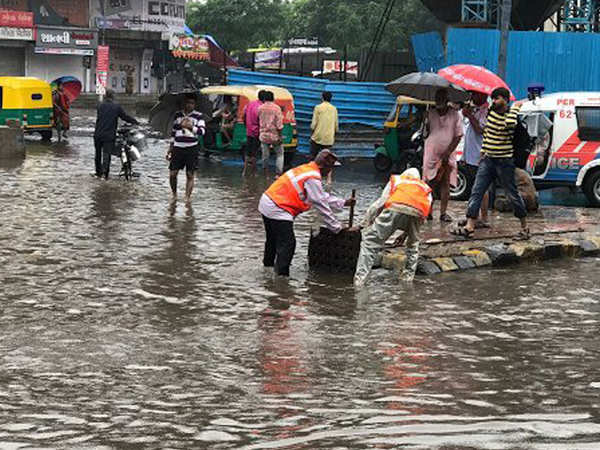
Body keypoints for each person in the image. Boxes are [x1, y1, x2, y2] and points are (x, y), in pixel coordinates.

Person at [258, 149, 355, 276]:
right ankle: (281, 279)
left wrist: (343, 202)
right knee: (288, 244)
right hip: (279, 208)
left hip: (268, 201)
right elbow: (320, 203)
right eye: (330, 167)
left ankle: (267, 269)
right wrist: (337, 227)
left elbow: (318, 196)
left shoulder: (307, 169)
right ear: (324, 166)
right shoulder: (313, 177)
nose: (330, 171)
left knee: (272, 240)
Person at [452, 87, 529, 239]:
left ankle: (524, 227)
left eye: (498, 98)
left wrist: (515, 109)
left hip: (504, 162)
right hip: (488, 160)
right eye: (493, 98)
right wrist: (483, 152)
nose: (494, 101)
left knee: (512, 194)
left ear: (506, 100)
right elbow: (488, 134)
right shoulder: (491, 113)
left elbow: (509, 125)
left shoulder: (511, 116)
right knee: (477, 191)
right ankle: (470, 225)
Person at [354, 168, 432, 288]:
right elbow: (421, 217)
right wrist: (406, 235)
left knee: (369, 243)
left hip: (394, 209)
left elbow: (380, 204)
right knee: (412, 246)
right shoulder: (424, 188)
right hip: (417, 214)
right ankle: (407, 280)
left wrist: (364, 224)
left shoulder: (397, 180)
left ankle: (359, 281)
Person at [423, 88, 463, 222]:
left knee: (445, 182)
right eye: (437, 98)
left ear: (447, 100)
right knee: (429, 183)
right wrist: (425, 121)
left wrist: (448, 152)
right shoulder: (430, 113)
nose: (439, 101)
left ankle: (443, 213)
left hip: (448, 154)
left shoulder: (455, 115)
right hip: (431, 153)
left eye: (441, 98)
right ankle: (428, 212)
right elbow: (425, 134)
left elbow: (458, 135)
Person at [166, 96, 206, 203]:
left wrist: (190, 127)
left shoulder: (199, 116)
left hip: (191, 147)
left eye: (192, 103)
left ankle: (187, 197)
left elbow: (202, 132)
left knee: (190, 174)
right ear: (184, 103)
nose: (189, 105)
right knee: (173, 173)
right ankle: (174, 194)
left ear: (195, 104)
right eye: (187, 102)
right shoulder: (178, 115)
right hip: (178, 147)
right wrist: (170, 148)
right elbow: (173, 132)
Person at [460, 91, 490, 228]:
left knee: (481, 189)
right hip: (470, 155)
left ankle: (483, 218)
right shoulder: (474, 109)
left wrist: (470, 116)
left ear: (483, 96)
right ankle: (473, 216)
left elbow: (480, 130)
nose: (472, 97)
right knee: (474, 188)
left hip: (480, 155)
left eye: (475, 94)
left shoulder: (487, 111)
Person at [93, 89, 138, 179]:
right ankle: (105, 175)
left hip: (97, 134)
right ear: (113, 96)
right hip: (109, 135)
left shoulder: (100, 105)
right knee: (106, 154)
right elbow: (124, 117)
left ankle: (98, 172)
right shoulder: (116, 106)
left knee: (98, 154)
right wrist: (135, 121)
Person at [258, 90, 284, 177]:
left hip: (264, 135)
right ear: (273, 98)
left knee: (265, 155)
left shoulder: (260, 108)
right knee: (280, 154)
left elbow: (259, 120)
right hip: (274, 135)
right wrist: (280, 136)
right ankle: (278, 174)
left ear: (265, 98)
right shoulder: (277, 108)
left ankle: (265, 173)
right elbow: (279, 125)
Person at [242, 90, 266, 176]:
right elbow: (261, 120)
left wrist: (247, 126)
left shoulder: (250, 104)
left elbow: (243, 115)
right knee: (254, 153)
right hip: (257, 132)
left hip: (249, 131)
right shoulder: (261, 107)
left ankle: (244, 171)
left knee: (248, 152)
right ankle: (253, 172)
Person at [310, 91, 338, 159]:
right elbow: (336, 125)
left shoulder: (318, 107)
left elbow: (313, 125)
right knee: (325, 158)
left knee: (314, 156)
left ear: (322, 98)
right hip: (329, 138)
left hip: (318, 136)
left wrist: (312, 132)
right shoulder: (334, 109)